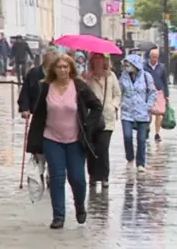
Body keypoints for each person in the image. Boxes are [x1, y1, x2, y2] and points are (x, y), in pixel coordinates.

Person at [26, 54, 103, 229]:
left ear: (71, 69)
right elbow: (38, 114)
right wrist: (34, 142)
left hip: (75, 140)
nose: (63, 70)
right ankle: (58, 216)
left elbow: (96, 106)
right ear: (53, 69)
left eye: (66, 67)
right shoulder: (45, 87)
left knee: (77, 178)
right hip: (51, 139)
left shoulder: (79, 86)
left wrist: (88, 126)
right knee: (57, 178)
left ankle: (79, 205)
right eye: (59, 67)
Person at [85, 53, 121, 188]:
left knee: (103, 147)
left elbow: (117, 94)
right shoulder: (88, 77)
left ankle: (104, 176)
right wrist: (86, 79)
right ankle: (92, 176)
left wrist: (114, 106)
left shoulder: (111, 77)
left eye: (100, 58)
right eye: (95, 59)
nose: (98, 61)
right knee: (91, 148)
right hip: (91, 118)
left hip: (107, 117)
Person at [120, 54, 157, 173]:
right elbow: (119, 92)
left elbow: (152, 92)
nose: (127, 67)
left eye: (129, 64)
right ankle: (130, 158)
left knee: (141, 139)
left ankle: (140, 163)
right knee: (127, 136)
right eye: (126, 65)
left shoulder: (147, 77)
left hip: (142, 112)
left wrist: (148, 106)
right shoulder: (123, 77)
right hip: (127, 112)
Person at [18, 46, 59, 119]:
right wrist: (25, 108)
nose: (52, 57)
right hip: (38, 112)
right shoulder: (34, 73)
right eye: (50, 54)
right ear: (44, 57)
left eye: (54, 54)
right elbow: (25, 92)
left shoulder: (60, 74)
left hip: (56, 113)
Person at [143, 48, 169, 142]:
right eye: (153, 57)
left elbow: (165, 81)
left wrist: (167, 95)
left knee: (159, 114)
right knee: (148, 113)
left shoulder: (161, 67)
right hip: (147, 92)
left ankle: (157, 133)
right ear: (149, 57)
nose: (154, 59)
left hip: (159, 92)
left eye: (156, 57)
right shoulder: (144, 66)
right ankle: (147, 128)